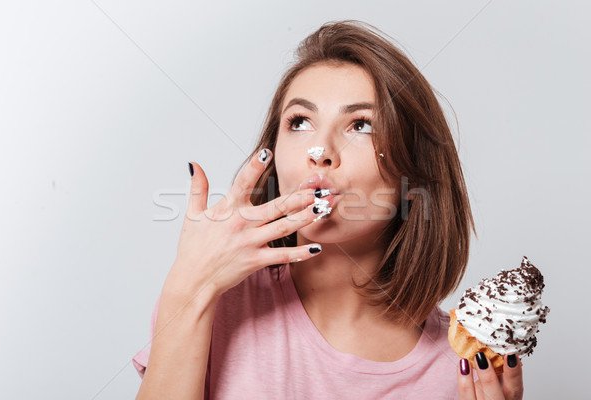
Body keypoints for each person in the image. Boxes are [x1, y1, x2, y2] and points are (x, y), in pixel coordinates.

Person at [133, 20, 524, 399]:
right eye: (299, 122)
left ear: (413, 179)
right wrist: (189, 287)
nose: (319, 152)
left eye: (361, 126)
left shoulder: (462, 369)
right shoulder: (214, 298)